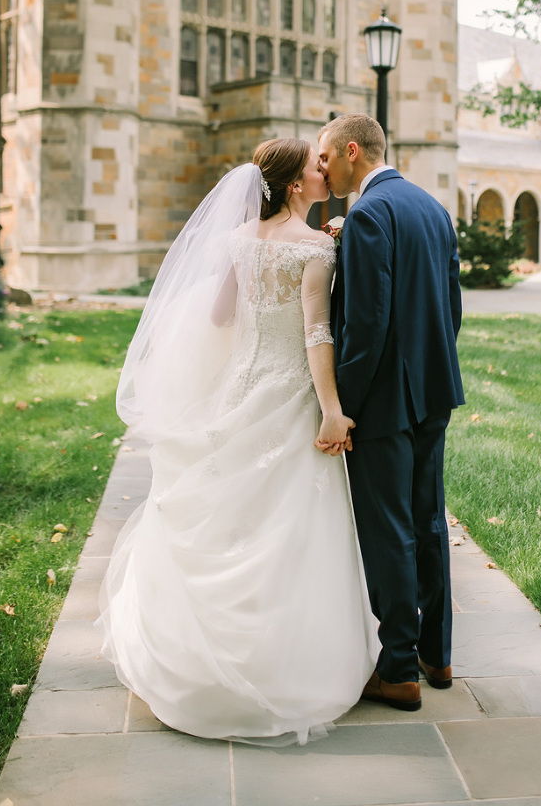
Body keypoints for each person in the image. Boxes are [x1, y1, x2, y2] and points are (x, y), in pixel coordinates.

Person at [97, 138, 378, 745]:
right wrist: (332, 410)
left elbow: (220, 316)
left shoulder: (236, 239)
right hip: (290, 395)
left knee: (230, 516)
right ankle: (282, 669)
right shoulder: (315, 247)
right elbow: (317, 334)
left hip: (239, 389)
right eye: (316, 166)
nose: (325, 170)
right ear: (296, 185)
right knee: (287, 522)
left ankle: (199, 667)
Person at [316, 114, 464, 712]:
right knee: (428, 521)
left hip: (383, 402)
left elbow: (366, 324)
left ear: (352, 151)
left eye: (327, 155)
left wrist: (343, 406)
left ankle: (398, 669)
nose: (323, 167)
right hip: (433, 390)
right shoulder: (434, 209)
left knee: (389, 531)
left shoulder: (369, 215)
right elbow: (451, 307)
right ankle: (437, 654)